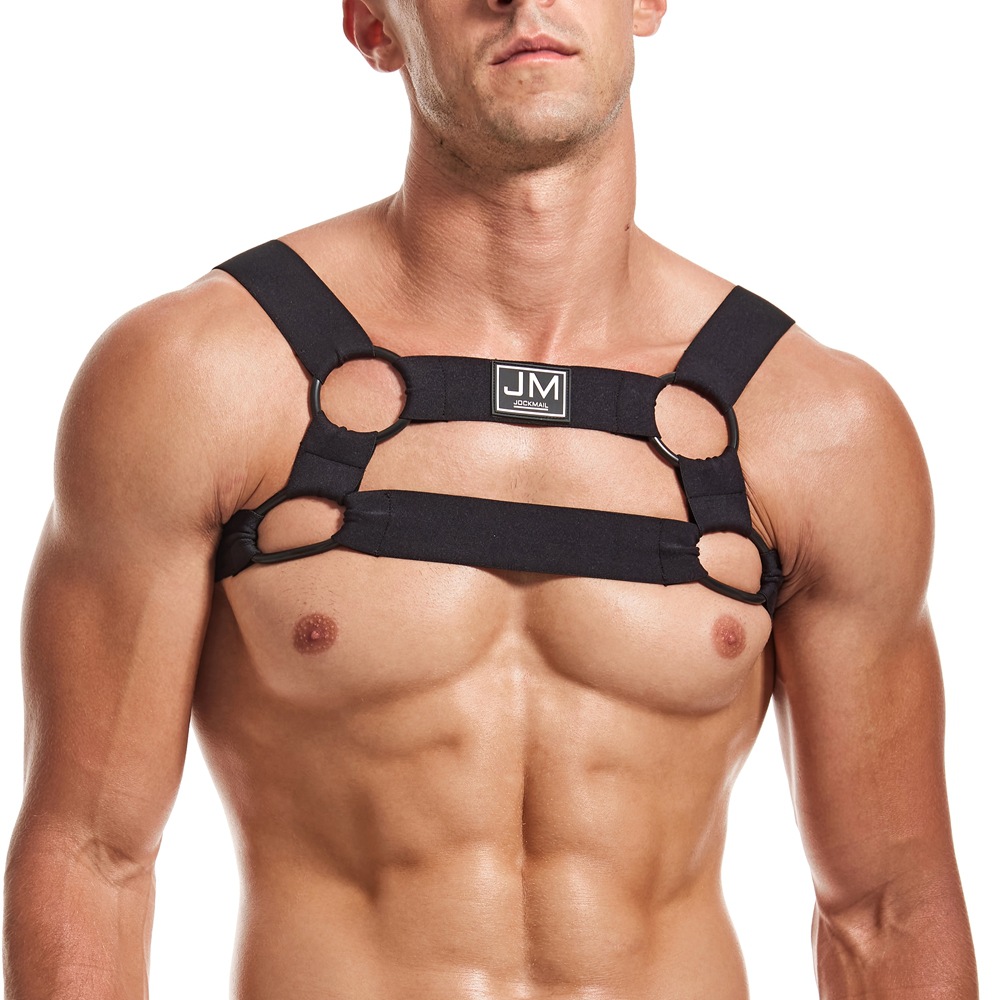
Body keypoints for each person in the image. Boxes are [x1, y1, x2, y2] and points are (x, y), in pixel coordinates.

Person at [2, 0, 980, 997]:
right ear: (373, 26)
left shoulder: (817, 426)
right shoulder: (198, 377)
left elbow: (886, 908)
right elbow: (91, 854)